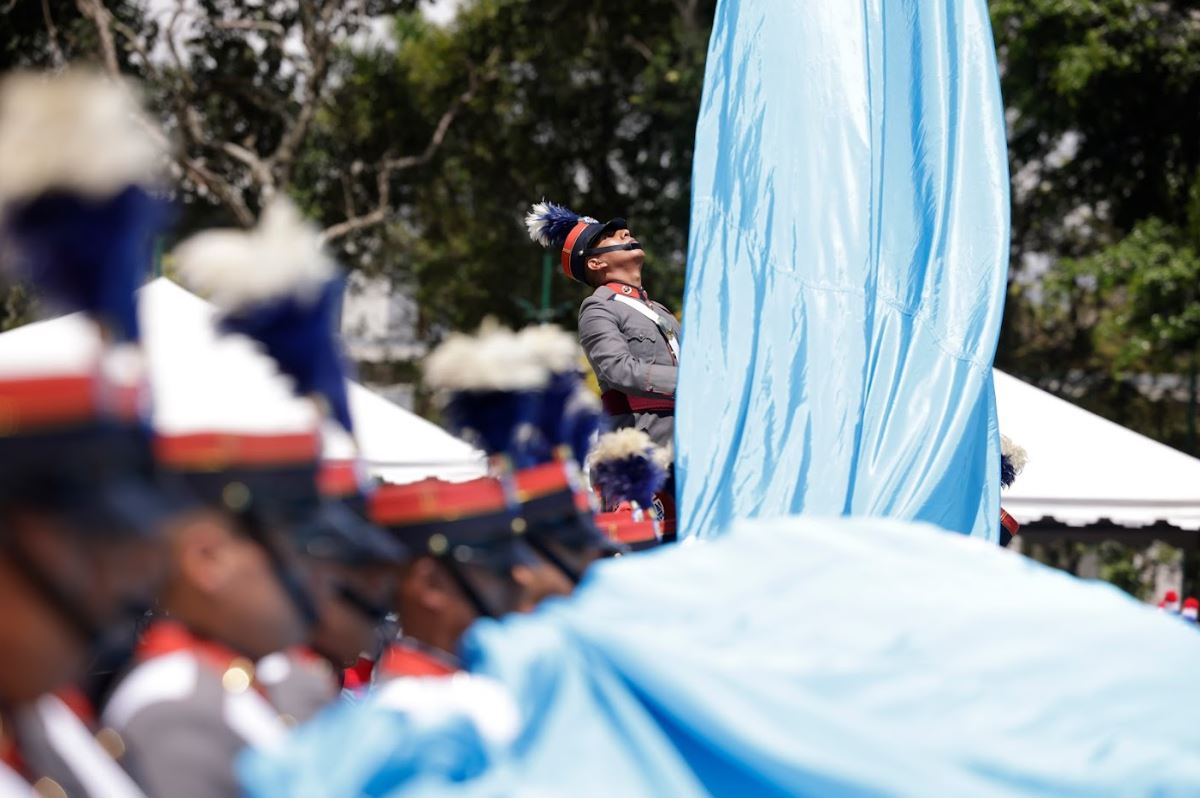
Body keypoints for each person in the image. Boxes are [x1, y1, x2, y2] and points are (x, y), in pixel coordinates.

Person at [525, 201, 681, 451]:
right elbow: (618, 369)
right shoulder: (598, 307)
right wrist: (689, 381)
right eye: (608, 235)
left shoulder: (661, 311)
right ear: (595, 263)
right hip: (640, 446)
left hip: (688, 432)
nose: (624, 232)